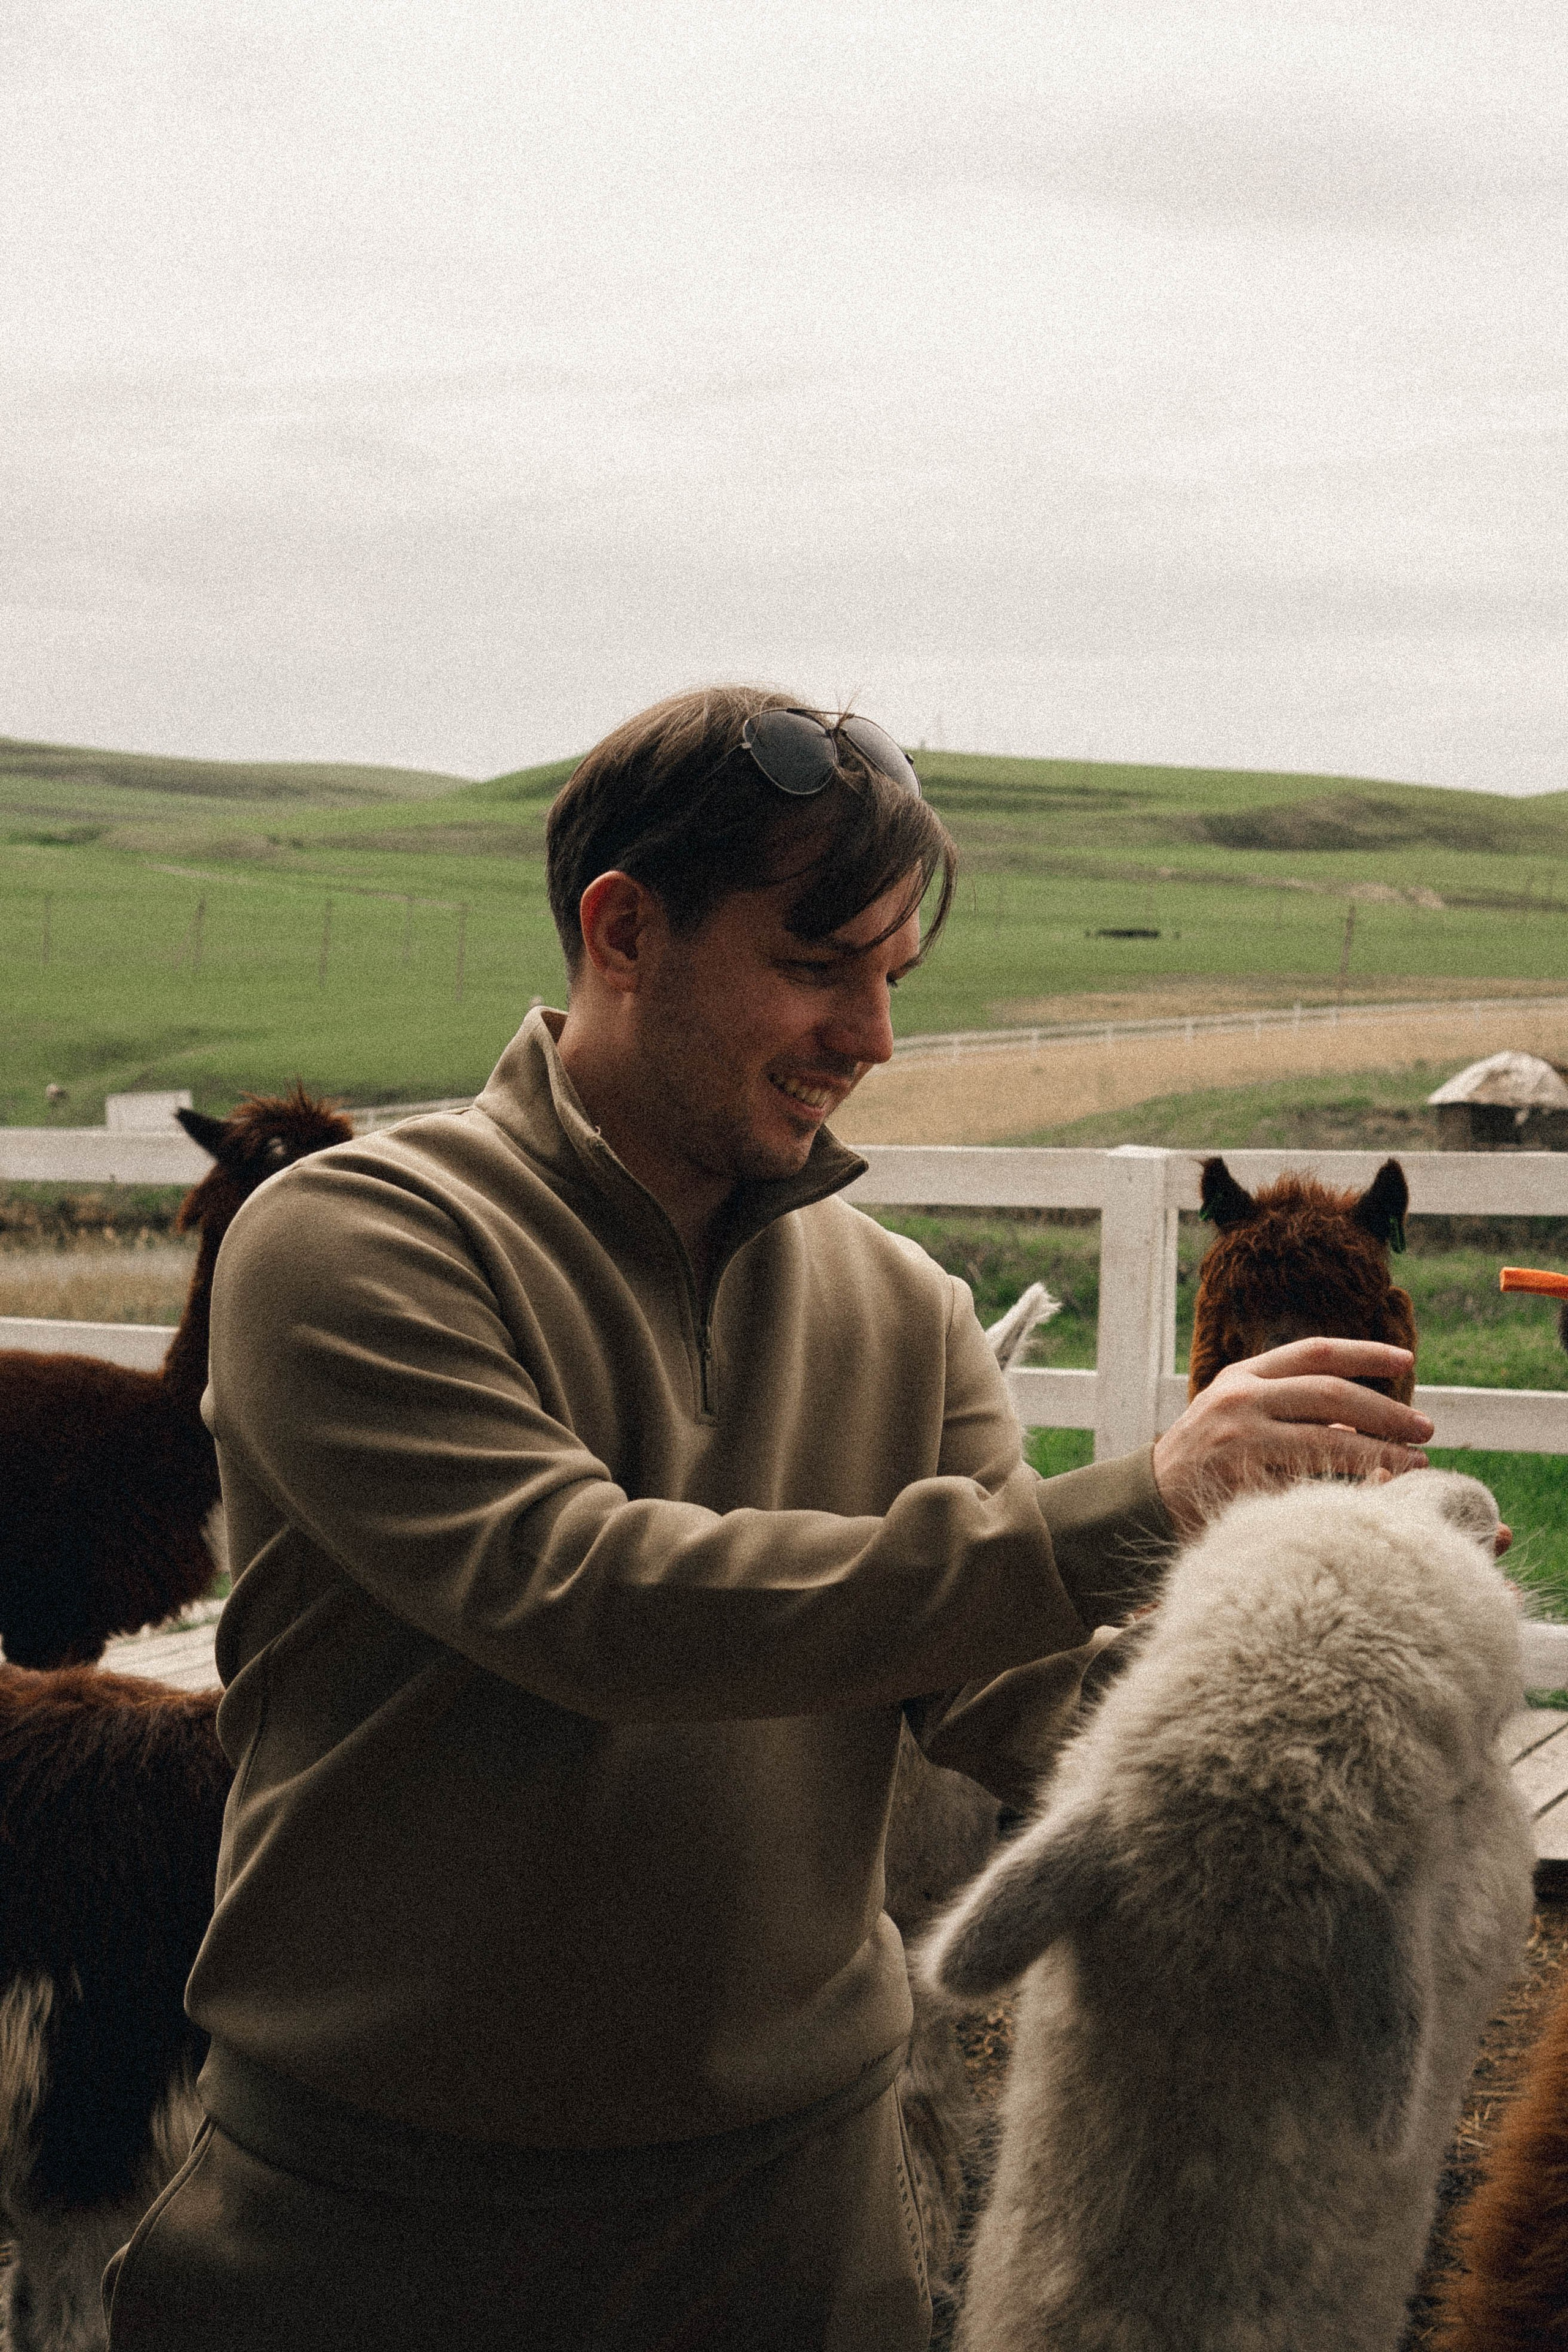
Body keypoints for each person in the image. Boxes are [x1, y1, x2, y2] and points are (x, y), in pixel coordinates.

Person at [103, 687, 1435, 2352]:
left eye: (893, 977)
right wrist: (1141, 1499)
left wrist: (1331, 1653)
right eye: (819, 964)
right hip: (377, 2238)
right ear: (624, 930)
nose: (873, 1036)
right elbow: (584, 1599)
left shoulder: (905, 1308)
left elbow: (1025, 1704)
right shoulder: (349, 1238)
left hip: (799, 2239)